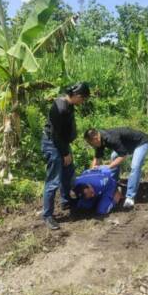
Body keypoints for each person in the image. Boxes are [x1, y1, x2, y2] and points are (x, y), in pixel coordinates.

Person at [41, 82, 90, 230]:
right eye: (83, 99)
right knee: (53, 180)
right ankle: (47, 215)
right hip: (53, 144)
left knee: (68, 173)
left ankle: (65, 201)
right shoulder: (60, 108)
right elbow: (56, 135)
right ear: (76, 96)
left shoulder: (69, 105)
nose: (83, 102)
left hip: (61, 143)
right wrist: (65, 153)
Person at [84, 127, 148, 209]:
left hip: (140, 143)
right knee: (113, 156)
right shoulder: (99, 139)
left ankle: (130, 197)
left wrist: (109, 166)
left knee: (135, 167)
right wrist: (91, 171)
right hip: (127, 145)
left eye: (91, 144)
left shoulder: (110, 138)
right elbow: (97, 158)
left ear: (95, 139)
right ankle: (113, 186)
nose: (92, 146)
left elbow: (123, 156)